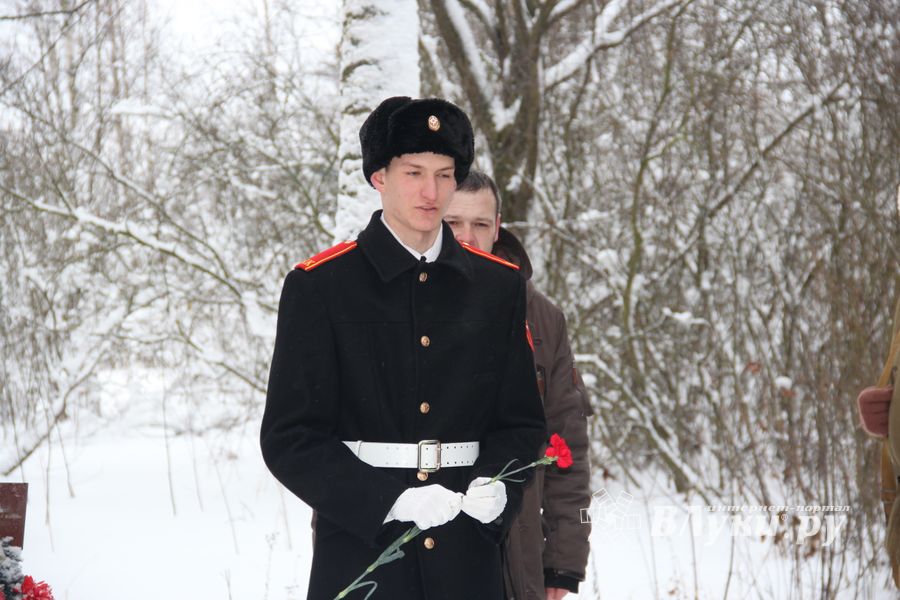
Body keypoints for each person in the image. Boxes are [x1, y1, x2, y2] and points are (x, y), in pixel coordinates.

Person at [260, 97, 547, 600]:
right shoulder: (321, 286)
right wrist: (390, 502)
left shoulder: (499, 287)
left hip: (469, 559)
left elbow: (521, 423)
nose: (430, 191)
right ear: (379, 177)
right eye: (414, 172)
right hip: (362, 557)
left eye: (444, 174)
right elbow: (290, 437)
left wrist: (499, 487)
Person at [445, 170, 593, 600]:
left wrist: (563, 564)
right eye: (453, 223)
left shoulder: (542, 317)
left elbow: (568, 446)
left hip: (513, 551)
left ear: (499, 226)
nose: (467, 238)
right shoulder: (400, 305)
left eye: (480, 224)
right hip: (426, 537)